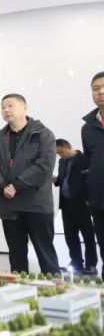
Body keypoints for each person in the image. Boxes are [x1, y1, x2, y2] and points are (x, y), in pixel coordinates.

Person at [0, 94, 59, 274]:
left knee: (45, 253)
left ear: (25, 107)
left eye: (10, 106)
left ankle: (54, 286)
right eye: (3, 107)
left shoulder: (43, 134)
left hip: (37, 204)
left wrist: (17, 185)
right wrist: (1, 186)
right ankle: (18, 287)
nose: (6, 110)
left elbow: (44, 166)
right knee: (16, 255)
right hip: (10, 205)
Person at [54, 139, 96, 275]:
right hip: (66, 205)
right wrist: (56, 180)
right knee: (70, 236)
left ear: (68, 147)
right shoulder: (62, 162)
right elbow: (63, 180)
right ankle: (76, 262)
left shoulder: (84, 159)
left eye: (61, 152)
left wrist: (89, 200)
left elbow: (90, 181)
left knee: (88, 236)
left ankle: (91, 264)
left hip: (82, 204)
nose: (61, 155)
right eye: (58, 154)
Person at [83, 71, 104, 279]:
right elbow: (90, 162)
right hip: (100, 201)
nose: (101, 92)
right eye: (96, 88)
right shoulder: (88, 128)